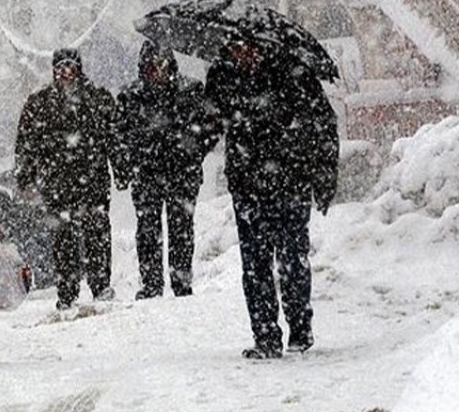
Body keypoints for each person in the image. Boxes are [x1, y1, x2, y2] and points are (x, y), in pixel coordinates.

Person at [206, 39, 339, 360]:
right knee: (255, 265)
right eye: (236, 48)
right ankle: (265, 335)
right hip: (247, 185)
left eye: (247, 47)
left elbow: (323, 124)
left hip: (290, 182)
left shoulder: (292, 72)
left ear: (262, 46)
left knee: (292, 259)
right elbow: (208, 124)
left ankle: (300, 326)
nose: (243, 54)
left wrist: (324, 177)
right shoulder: (223, 76)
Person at [15, 48, 125, 310]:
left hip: (93, 179)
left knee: (97, 232)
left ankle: (101, 285)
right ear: (54, 71)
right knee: (63, 238)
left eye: (70, 67)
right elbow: (26, 143)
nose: (66, 73)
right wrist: (25, 177)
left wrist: (121, 169)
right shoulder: (40, 103)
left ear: (79, 68)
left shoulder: (98, 99)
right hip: (57, 182)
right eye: (61, 67)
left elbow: (115, 138)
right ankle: (67, 291)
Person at [117, 42, 219, 299]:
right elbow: (118, 134)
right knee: (148, 229)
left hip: (182, 173)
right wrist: (130, 160)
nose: (157, 71)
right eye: (151, 66)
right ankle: (151, 284)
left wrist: (194, 152)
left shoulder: (191, 91)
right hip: (147, 173)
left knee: (181, 228)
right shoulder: (130, 96)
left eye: (161, 65)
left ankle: (181, 282)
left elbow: (211, 127)